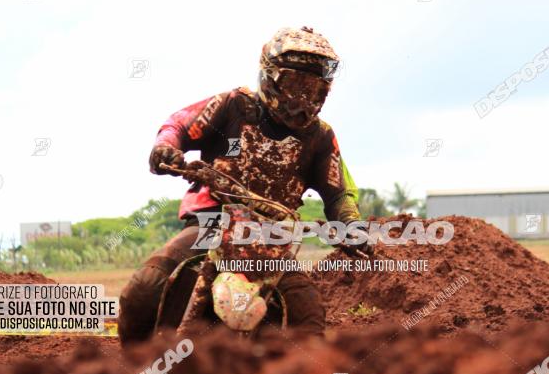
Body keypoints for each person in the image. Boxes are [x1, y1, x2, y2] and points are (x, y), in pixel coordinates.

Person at [118, 26, 365, 344]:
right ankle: (132, 368)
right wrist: (166, 148)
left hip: (272, 238)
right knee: (146, 287)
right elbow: (179, 123)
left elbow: (338, 190)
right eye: (293, 85)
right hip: (212, 221)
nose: (301, 99)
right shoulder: (234, 106)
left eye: (313, 90)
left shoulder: (320, 137)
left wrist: (350, 223)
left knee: (308, 318)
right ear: (270, 76)